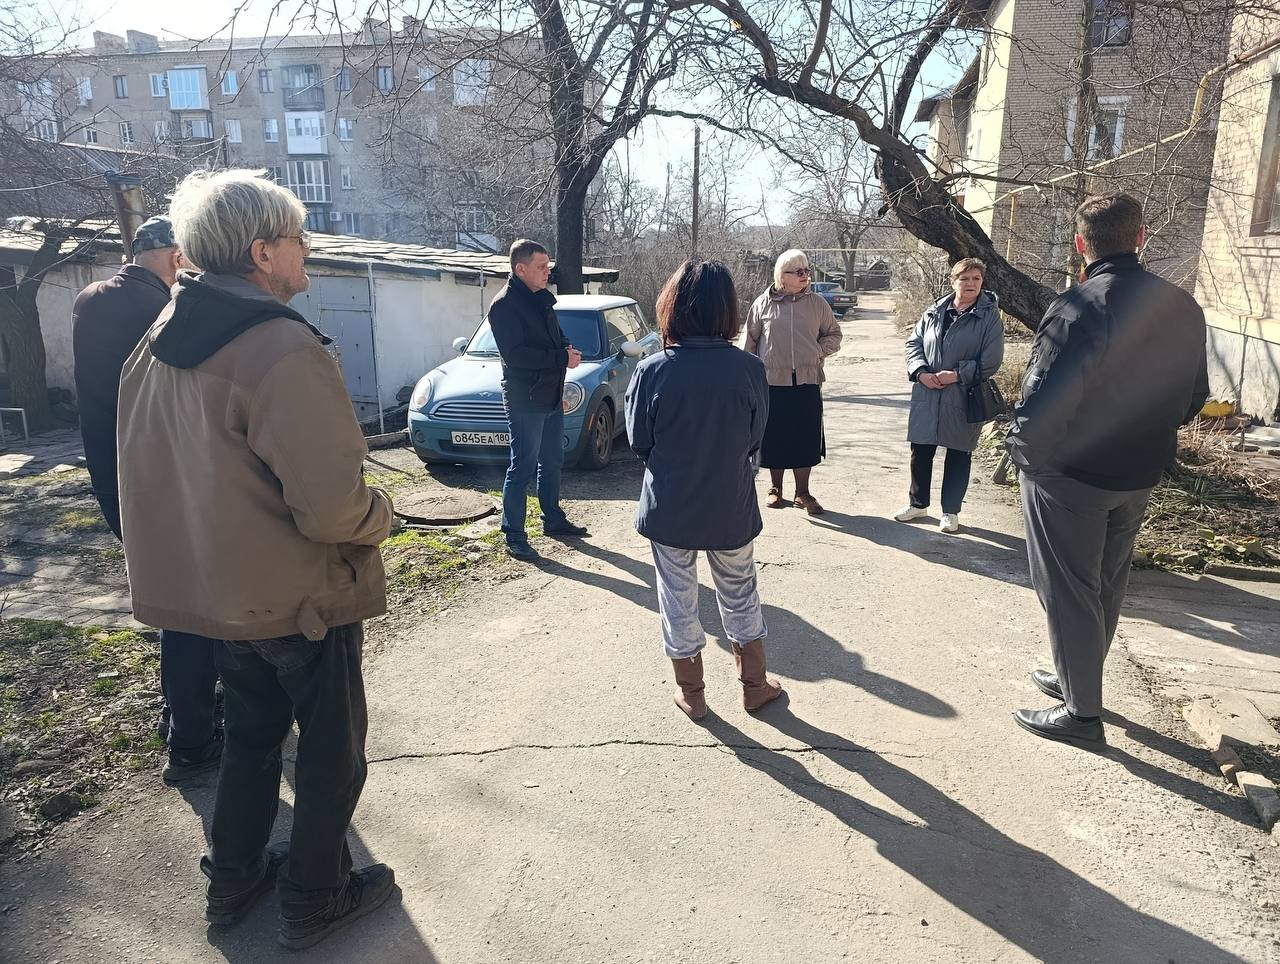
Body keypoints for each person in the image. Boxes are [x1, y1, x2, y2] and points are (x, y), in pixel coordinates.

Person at [116, 170, 399, 948]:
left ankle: (235, 876)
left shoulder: (159, 336)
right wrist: (382, 513)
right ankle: (315, 896)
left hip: (218, 596)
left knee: (250, 737)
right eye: (299, 238)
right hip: (300, 598)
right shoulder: (280, 346)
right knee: (333, 755)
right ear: (263, 252)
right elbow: (332, 510)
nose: (308, 251)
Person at [1006, 192, 1209, 748]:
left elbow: (1044, 397)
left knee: (1070, 589)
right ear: (1139, 237)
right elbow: (1195, 396)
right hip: (1139, 470)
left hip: (1071, 473)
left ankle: (1081, 715)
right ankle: (1078, 676)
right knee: (1107, 582)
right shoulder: (1181, 306)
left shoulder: (1078, 306)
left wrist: (1024, 453)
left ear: (1081, 243)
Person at [71, 216, 223, 786]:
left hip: (114, 478)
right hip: (167, 477)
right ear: (176, 256)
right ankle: (192, 738)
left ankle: (181, 715)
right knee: (193, 608)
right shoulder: (164, 309)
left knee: (169, 600)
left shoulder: (90, 299)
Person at [626, 259, 783, 720]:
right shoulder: (749, 369)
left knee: (676, 597)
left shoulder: (652, 370)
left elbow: (639, 441)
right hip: (729, 504)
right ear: (727, 310)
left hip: (669, 507)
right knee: (740, 592)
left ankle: (692, 694)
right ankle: (754, 687)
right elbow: (755, 437)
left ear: (672, 307)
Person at [488, 238, 588, 560]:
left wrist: (567, 348)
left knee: (552, 461)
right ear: (521, 269)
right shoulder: (504, 306)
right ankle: (514, 534)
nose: (548, 272)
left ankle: (553, 519)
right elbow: (516, 356)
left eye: (548, 266)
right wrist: (561, 358)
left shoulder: (541, 298)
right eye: (541, 267)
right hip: (525, 399)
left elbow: (555, 336)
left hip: (551, 395)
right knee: (522, 466)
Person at [896, 258, 1004, 534]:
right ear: (952, 281)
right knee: (921, 451)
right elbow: (913, 344)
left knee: (958, 453)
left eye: (976, 279)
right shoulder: (935, 311)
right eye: (964, 278)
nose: (971, 284)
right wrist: (921, 372)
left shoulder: (989, 316)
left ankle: (950, 512)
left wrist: (955, 375)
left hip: (963, 394)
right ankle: (918, 504)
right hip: (928, 392)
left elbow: (991, 360)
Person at [743, 249, 843, 516]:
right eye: (798, 271)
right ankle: (775, 488)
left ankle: (803, 493)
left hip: (807, 382)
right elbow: (749, 343)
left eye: (807, 270)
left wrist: (817, 351)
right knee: (774, 437)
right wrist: (748, 378)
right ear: (782, 276)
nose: (805, 275)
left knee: (805, 438)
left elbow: (834, 335)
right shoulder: (762, 304)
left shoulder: (817, 304)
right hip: (771, 383)